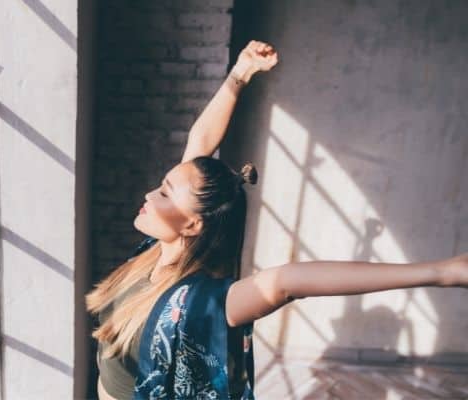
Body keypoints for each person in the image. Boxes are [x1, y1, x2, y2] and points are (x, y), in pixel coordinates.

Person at [86, 40, 468, 400]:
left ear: (192, 225)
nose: (149, 196)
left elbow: (287, 282)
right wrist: (239, 75)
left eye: (166, 193)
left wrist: (443, 272)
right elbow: (199, 142)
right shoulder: (156, 250)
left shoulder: (202, 301)